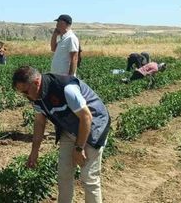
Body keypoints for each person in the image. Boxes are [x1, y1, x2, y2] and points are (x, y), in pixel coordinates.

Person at [13, 66, 110, 203]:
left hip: (93, 126)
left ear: (36, 82)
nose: (25, 96)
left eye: (25, 91)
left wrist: (78, 148)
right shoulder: (35, 96)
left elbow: (86, 117)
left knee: (89, 177)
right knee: (64, 174)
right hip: (69, 128)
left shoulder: (65, 88)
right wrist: (34, 151)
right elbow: (40, 122)